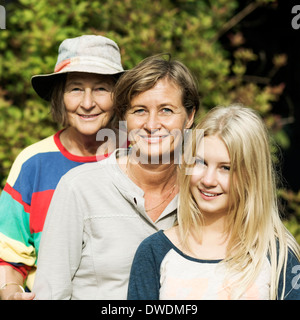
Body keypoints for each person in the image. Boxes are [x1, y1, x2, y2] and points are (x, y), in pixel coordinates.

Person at [32, 54, 199, 299]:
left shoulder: (206, 189)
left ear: (190, 116)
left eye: (166, 110)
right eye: (139, 110)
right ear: (124, 118)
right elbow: (51, 292)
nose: (152, 124)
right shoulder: (78, 187)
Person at [127, 105, 300, 300]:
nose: (208, 180)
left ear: (252, 176)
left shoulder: (278, 256)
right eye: (201, 162)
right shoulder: (154, 252)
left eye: (226, 168)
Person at [0, 35, 125, 300]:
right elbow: (8, 257)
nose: (88, 103)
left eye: (101, 88)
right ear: (60, 96)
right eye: (76, 88)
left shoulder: (137, 158)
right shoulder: (33, 162)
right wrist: (10, 291)